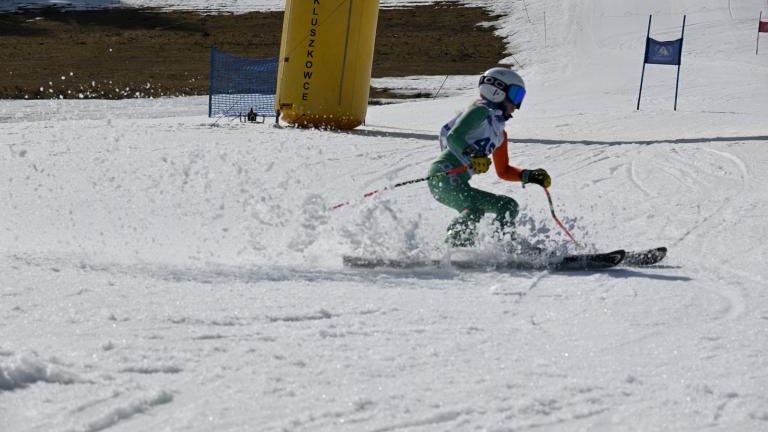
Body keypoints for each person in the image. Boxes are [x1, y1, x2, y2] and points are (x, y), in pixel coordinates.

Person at [427, 67, 551, 248]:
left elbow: (504, 171)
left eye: (520, 98)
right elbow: (454, 136)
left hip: (459, 180)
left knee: (507, 206)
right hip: (443, 174)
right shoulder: (480, 111)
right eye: (516, 95)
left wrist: (529, 175)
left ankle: (503, 246)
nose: (516, 105)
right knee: (474, 210)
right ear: (497, 90)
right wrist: (474, 154)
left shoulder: (500, 134)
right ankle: (450, 249)